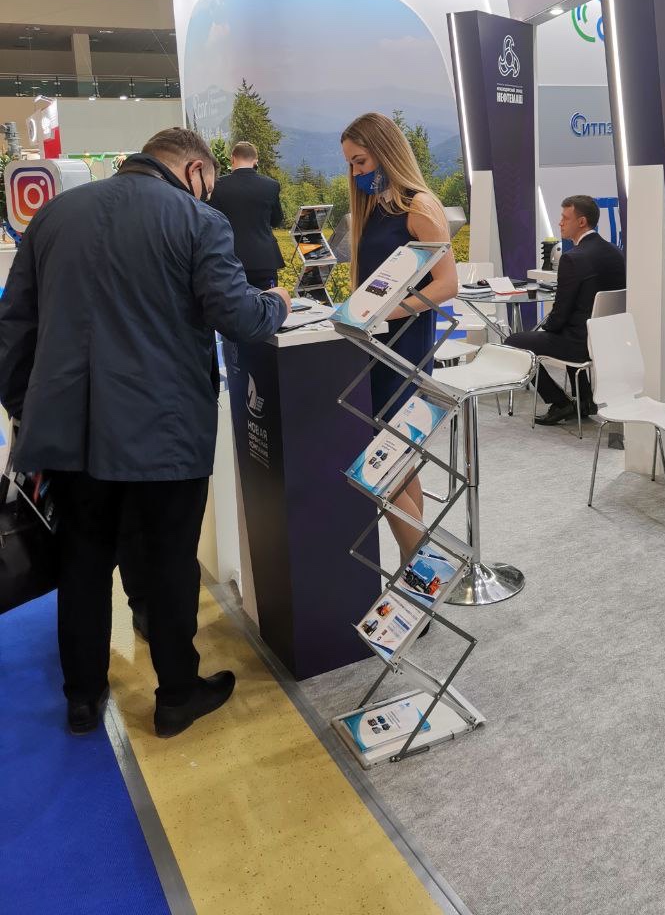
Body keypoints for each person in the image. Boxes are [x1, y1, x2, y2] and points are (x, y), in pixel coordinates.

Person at [0, 128, 291, 736]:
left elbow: (14, 327)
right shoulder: (198, 221)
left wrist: (27, 408)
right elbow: (238, 314)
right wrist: (279, 303)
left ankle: (83, 696)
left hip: (71, 430)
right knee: (168, 561)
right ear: (195, 170)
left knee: (81, 559)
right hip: (165, 428)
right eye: (208, 182)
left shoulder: (52, 217)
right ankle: (177, 694)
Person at [341, 113, 457, 562]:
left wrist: (387, 311)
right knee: (399, 462)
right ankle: (418, 568)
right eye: (351, 163)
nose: (356, 171)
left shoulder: (419, 206)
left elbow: (447, 285)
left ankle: (426, 567)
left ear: (385, 151)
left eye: (361, 160)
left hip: (404, 349)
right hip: (374, 348)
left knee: (383, 465)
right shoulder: (375, 207)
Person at [505, 195, 625, 426]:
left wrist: (547, 329)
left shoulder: (572, 259)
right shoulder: (615, 252)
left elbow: (559, 315)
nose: (560, 222)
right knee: (566, 329)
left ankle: (560, 403)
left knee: (513, 342)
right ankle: (584, 401)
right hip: (608, 339)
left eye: (565, 218)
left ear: (581, 222)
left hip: (580, 344)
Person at [208, 140, 285, 289]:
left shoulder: (217, 185)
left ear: (232, 159)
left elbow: (211, 222)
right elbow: (276, 220)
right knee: (267, 300)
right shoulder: (271, 185)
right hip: (264, 260)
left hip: (229, 259)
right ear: (255, 161)